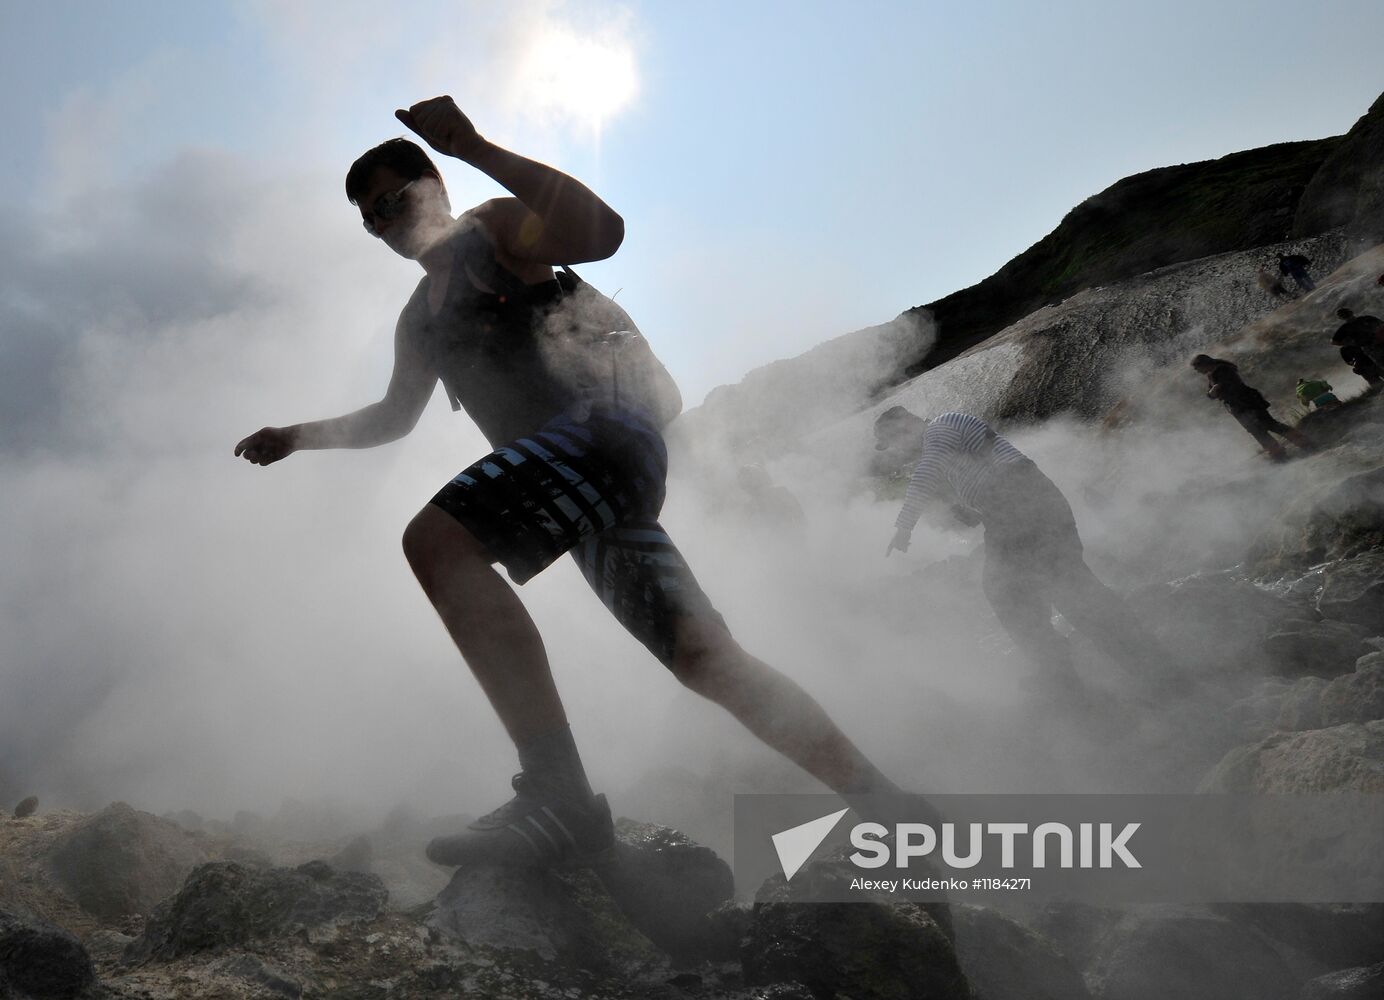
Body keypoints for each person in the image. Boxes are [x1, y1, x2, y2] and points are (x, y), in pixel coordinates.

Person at [235, 97, 909, 870]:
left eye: (391, 201)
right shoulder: (420, 317)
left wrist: (475, 145)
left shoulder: (489, 231)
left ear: (432, 185)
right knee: (703, 657)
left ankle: (560, 797)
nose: (385, 224)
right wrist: (298, 437)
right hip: (575, 481)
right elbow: (394, 417)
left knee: (437, 541)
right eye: (369, 218)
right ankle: (884, 800)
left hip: (604, 434)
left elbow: (603, 233)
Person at [876, 408, 1184, 700]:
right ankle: (1138, 669)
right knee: (1053, 591)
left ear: (905, 427)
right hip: (1019, 505)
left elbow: (927, 472)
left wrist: (904, 527)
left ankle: (1084, 676)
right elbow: (977, 479)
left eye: (895, 443)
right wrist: (970, 509)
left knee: (1032, 592)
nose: (900, 452)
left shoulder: (940, 428)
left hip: (1019, 503)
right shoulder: (945, 445)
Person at [1188, 354, 1312, 461]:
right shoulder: (1211, 374)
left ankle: (1304, 443)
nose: (1198, 371)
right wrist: (1212, 392)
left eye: (1197, 368)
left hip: (1247, 401)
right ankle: (1278, 455)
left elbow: (1232, 385)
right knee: (1256, 431)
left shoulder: (1223, 369)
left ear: (1204, 364)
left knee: (1269, 424)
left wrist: (1217, 388)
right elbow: (1210, 394)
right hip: (1237, 407)